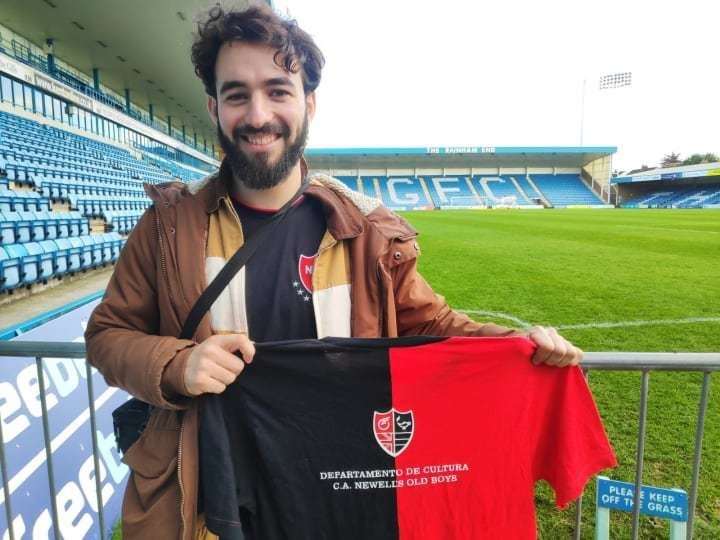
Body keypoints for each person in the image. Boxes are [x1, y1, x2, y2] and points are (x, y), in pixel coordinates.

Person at [84, 4, 583, 539]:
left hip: (336, 496)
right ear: (213, 107)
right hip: (209, 507)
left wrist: (518, 347)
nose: (257, 115)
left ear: (309, 103)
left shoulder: (368, 231)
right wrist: (176, 365)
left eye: (277, 90)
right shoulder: (167, 225)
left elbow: (431, 325)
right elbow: (107, 335)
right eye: (237, 94)